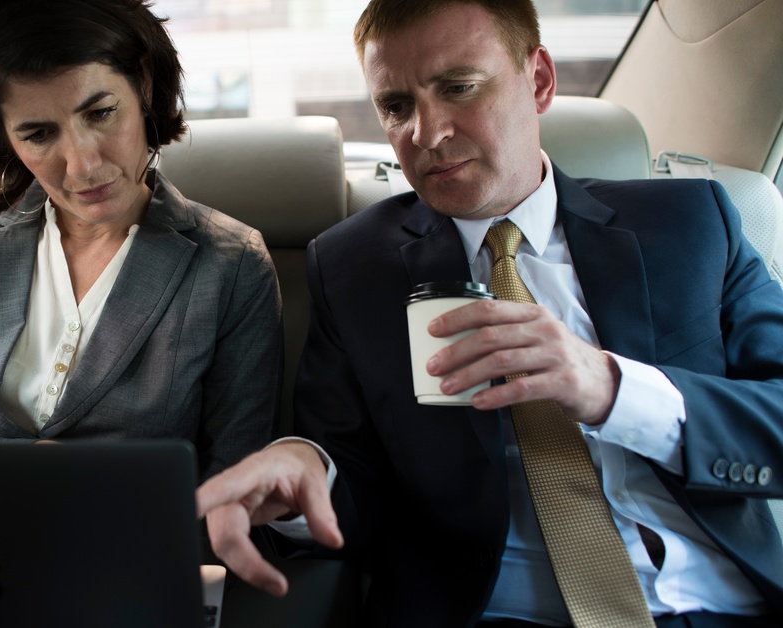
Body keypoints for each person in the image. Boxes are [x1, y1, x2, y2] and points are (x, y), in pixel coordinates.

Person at [197, 0, 783, 625]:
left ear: (539, 81)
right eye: (396, 106)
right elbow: (352, 478)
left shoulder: (690, 224)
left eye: (459, 88)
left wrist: (613, 389)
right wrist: (305, 478)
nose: (426, 134)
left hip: (719, 606)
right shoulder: (352, 268)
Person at [0, 0, 282, 481]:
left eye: (101, 113)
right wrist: (24, 472)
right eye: (39, 134)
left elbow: (239, 495)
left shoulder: (231, 266)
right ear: (4, 136)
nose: (83, 165)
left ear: (144, 84)